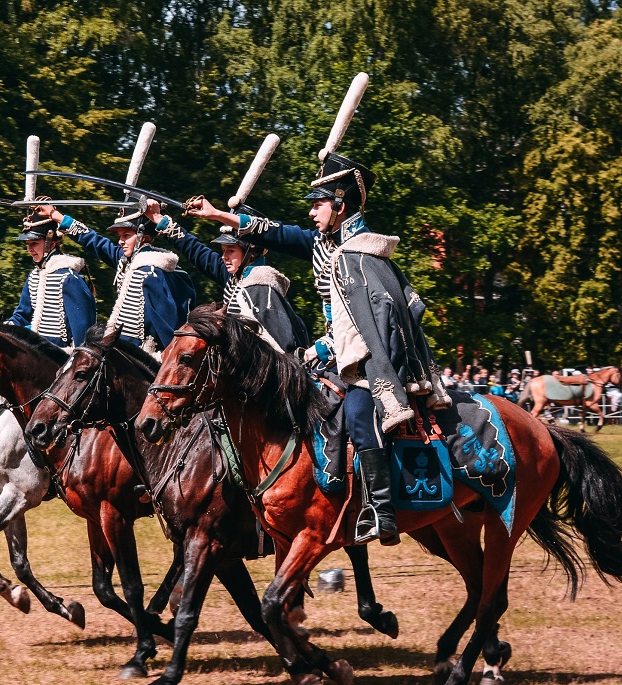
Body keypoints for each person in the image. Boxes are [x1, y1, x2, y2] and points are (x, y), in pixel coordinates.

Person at [186, 151, 449, 545]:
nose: (311, 213)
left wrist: (324, 351)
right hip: (339, 354)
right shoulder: (326, 244)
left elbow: (373, 323)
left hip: (369, 360)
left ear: (340, 206)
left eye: (318, 204)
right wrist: (216, 215)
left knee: (359, 413)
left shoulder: (362, 254)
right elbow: (275, 231)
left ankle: (382, 509)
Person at [144, 199, 309, 353]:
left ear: (251, 254)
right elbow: (195, 250)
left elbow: (283, 346)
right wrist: (161, 220)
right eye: (223, 251)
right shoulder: (238, 276)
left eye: (231, 251)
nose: (224, 257)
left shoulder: (260, 287)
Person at [34, 201, 196, 352]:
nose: (120, 241)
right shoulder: (128, 260)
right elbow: (93, 240)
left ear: (143, 237)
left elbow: (166, 325)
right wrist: (56, 215)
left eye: (126, 235)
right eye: (120, 236)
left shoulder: (152, 271)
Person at [5, 210, 96, 348]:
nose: (30, 250)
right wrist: (2, 328)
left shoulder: (69, 279)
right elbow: (22, 316)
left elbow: (82, 330)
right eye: (28, 244)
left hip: (62, 358)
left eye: (34, 243)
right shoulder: (34, 276)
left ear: (51, 244)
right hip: (37, 354)